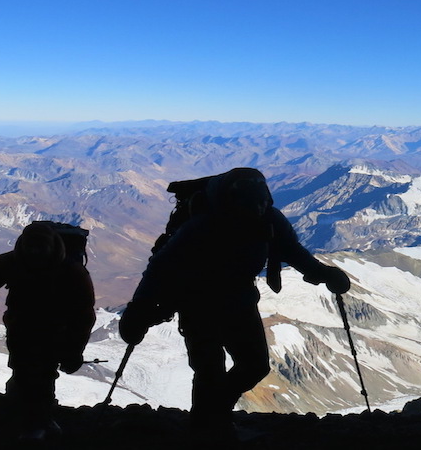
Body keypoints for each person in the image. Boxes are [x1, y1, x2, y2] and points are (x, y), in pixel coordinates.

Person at [119, 167, 350, 443]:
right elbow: (161, 267)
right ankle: (210, 426)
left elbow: (293, 251)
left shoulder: (263, 220)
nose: (259, 208)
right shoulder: (202, 226)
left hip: (231, 300)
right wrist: (140, 307)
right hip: (200, 303)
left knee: (250, 365)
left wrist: (324, 273)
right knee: (212, 368)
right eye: (254, 202)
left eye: (263, 202)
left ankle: (209, 420)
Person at [0, 222, 96, 440]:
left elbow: (83, 316)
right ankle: (35, 421)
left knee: (37, 373)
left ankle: (32, 423)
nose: (34, 253)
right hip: (25, 328)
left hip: (48, 330)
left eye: (38, 248)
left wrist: (74, 349)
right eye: (32, 247)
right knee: (29, 372)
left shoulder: (60, 269)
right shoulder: (66, 270)